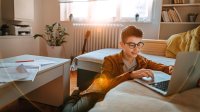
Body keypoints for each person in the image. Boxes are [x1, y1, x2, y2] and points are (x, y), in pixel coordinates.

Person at [61, 26, 173, 112]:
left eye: (139, 44)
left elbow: (158, 66)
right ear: (122, 45)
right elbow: (106, 85)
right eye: (131, 45)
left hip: (119, 94)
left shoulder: (142, 60)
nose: (136, 49)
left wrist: (168, 68)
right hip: (98, 91)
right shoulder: (109, 60)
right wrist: (131, 75)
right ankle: (75, 95)